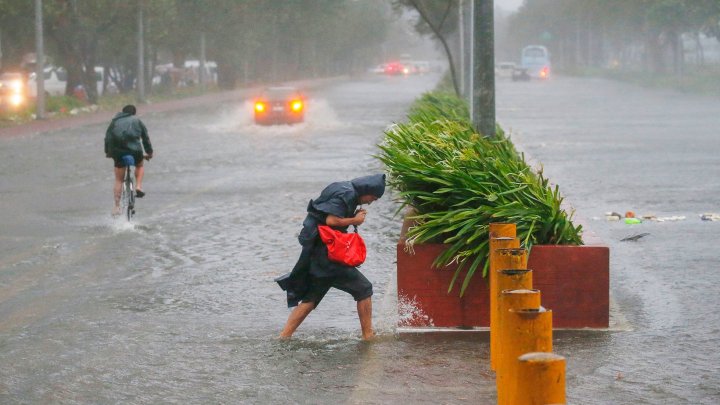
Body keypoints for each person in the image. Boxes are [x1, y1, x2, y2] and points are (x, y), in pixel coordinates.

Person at [278, 174, 386, 340]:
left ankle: (284, 336)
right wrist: (355, 220)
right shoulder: (348, 194)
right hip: (328, 255)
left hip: (318, 252)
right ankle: (368, 336)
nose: (372, 201)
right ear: (367, 190)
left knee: (311, 299)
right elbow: (331, 220)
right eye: (374, 197)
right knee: (364, 289)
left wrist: (350, 216)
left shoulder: (341, 187)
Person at [104, 104, 153, 216]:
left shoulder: (114, 122)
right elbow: (146, 138)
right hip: (135, 151)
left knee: (119, 179)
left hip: (118, 152)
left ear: (123, 112)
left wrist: (108, 152)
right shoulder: (137, 121)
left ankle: (117, 206)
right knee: (140, 165)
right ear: (133, 113)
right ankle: (138, 186)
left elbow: (107, 138)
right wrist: (149, 153)